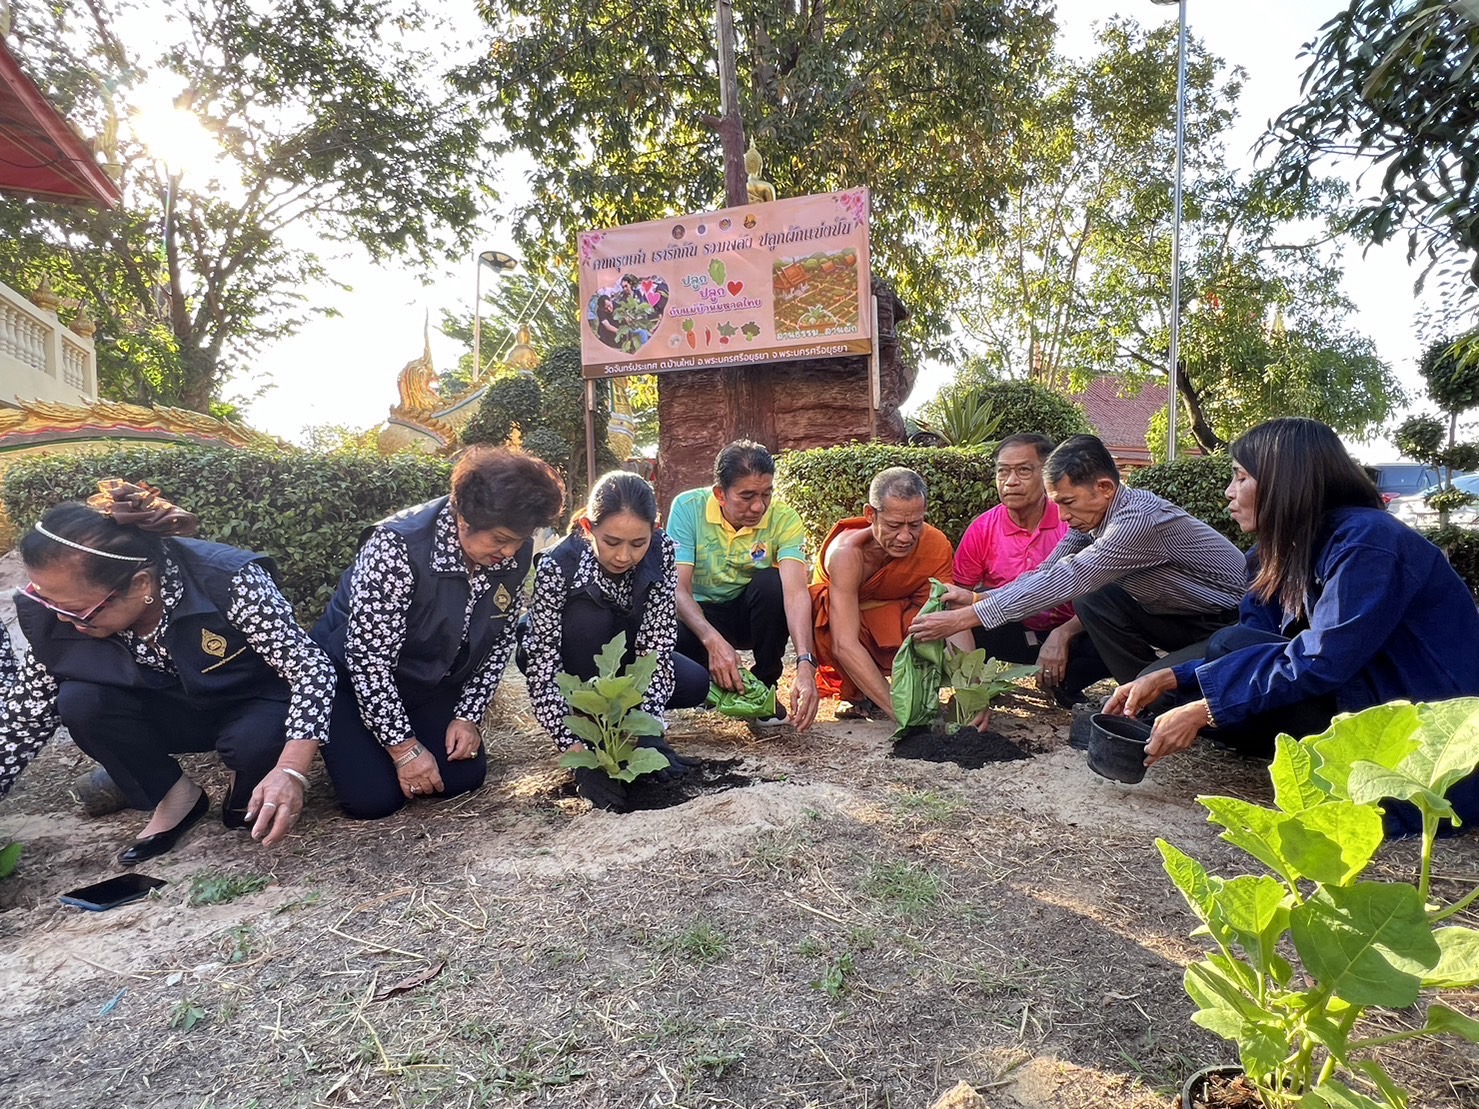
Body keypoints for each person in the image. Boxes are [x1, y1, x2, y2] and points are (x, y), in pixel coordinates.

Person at [1104, 419, 1479, 830]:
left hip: (1421, 733)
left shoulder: (1369, 543)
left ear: (1287, 481)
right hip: (1359, 693)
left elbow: (1322, 660)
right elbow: (1261, 648)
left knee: (1227, 655)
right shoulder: (1278, 553)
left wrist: (1205, 708)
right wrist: (1172, 678)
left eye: (1241, 477)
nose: (1229, 492)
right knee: (1226, 651)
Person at [2, 480, 335, 863]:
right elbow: (20, 723)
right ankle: (176, 796)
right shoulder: (57, 610)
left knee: (254, 753)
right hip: (167, 709)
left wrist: (291, 771)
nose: (61, 617)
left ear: (141, 584)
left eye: (77, 610)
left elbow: (312, 669)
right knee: (80, 701)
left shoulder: (228, 580)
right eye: (45, 600)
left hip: (249, 704)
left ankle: (245, 779)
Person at [312, 447, 564, 819]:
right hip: (348, 679)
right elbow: (367, 662)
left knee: (462, 776)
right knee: (374, 800)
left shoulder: (514, 549)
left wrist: (467, 715)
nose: (510, 554)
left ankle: (388, 738)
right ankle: (353, 738)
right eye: (499, 539)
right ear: (464, 518)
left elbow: (498, 642)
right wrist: (404, 749)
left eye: (519, 540)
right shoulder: (396, 546)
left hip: (423, 678)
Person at [909, 435, 1246, 684]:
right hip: (1176, 616)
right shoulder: (1092, 518)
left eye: (1068, 502)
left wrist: (963, 618)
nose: (1063, 515)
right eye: (1058, 503)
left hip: (1231, 623)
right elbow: (1047, 572)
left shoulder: (1136, 521)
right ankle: (1146, 696)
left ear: (1104, 488)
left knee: (1152, 679)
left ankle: (1157, 699)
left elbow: (1069, 578)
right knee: (1095, 601)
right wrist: (978, 597)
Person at [521, 471, 709, 809]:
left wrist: (649, 730)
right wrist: (577, 755)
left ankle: (624, 721)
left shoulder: (663, 551)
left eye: (638, 543)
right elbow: (543, 663)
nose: (624, 556)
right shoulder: (557, 566)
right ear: (588, 527)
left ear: (654, 529)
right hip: (574, 666)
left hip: (622, 663)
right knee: (590, 619)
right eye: (611, 542)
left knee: (695, 682)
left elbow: (656, 643)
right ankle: (588, 717)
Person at [670, 440, 820, 731]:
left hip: (748, 616)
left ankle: (764, 684)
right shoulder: (688, 509)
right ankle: (713, 682)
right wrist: (713, 642)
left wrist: (805, 663)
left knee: (771, 582)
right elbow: (678, 589)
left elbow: (796, 593)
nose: (758, 506)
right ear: (720, 494)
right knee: (668, 623)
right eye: (747, 496)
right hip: (700, 620)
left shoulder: (784, 519)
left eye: (766, 494)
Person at [954, 434, 1109, 705]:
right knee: (966, 605)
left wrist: (1063, 634)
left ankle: (1066, 683)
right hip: (1010, 629)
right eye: (1003, 471)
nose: (1011, 481)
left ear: (1047, 473)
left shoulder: (1073, 520)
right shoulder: (982, 528)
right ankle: (983, 689)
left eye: (1023, 470)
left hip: (1071, 630)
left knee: (1112, 624)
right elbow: (960, 597)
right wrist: (971, 689)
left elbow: (1104, 594)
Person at [811, 468, 973, 720]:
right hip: (852, 628)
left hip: (902, 623)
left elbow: (952, 614)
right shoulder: (847, 554)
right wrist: (898, 710)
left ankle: (920, 689)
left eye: (915, 524)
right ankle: (859, 693)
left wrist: (972, 692)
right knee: (825, 617)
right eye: (894, 525)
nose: (905, 537)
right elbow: (844, 643)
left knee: (945, 605)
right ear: (870, 515)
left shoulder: (935, 544)